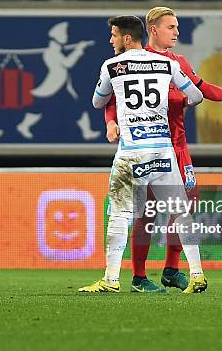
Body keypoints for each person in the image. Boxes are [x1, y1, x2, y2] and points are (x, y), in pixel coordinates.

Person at [104, 7, 222, 293]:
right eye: (171, 27)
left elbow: (201, 86)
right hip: (149, 146)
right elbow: (112, 99)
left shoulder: (177, 61)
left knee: (184, 206)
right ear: (153, 30)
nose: (177, 32)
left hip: (178, 146)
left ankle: (171, 269)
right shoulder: (133, 60)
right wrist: (111, 123)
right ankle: (139, 276)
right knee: (146, 212)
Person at [79, 15, 206, 294]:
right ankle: (197, 274)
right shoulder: (167, 64)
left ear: (127, 38)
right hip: (163, 150)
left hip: (132, 153)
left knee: (120, 215)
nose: (110, 40)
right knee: (181, 211)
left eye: (113, 35)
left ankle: (111, 279)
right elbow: (196, 96)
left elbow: (98, 101)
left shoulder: (112, 66)